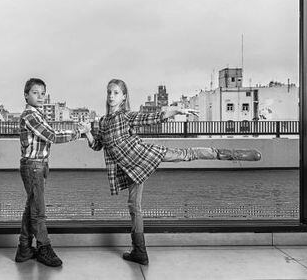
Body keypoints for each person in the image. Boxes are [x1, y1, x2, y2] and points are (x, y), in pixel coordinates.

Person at [82, 79, 261, 266]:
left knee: (185, 154)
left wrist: (177, 110)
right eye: (109, 92)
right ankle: (139, 252)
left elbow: (152, 118)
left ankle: (226, 154)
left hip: (144, 156)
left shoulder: (126, 116)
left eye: (116, 93)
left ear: (124, 97)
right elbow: (98, 145)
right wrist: (87, 132)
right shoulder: (102, 122)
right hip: (131, 170)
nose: (111, 96)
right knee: (134, 207)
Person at [15, 78, 89, 267]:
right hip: (33, 165)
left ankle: (24, 248)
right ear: (26, 95)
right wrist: (78, 132)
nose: (40, 96)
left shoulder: (38, 115)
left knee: (31, 207)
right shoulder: (29, 115)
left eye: (42, 93)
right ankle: (44, 248)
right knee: (38, 211)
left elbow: (50, 132)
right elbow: (52, 136)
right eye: (35, 93)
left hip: (38, 165)